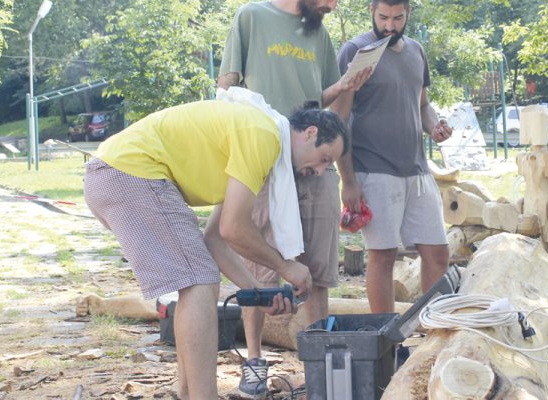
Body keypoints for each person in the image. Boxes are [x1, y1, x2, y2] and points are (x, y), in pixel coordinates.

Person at [84, 98, 350, 400]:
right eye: (325, 158)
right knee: (200, 281)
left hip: (115, 172)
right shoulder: (263, 136)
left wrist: (257, 291)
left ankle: (188, 392)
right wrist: (285, 267)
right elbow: (233, 228)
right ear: (310, 133)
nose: (320, 170)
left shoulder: (257, 138)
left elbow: (215, 239)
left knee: (199, 280)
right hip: (129, 172)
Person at [216, 0, 371, 398]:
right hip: (262, 160)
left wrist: (342, 88)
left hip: (313, 161)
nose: (334, 4)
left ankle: (320, 367)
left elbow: (317, 96)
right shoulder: (251, 16)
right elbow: (226, 87)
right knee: (260, 271)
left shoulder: (318, 33)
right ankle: (255, 365)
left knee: (319, 271)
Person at [333, 0, 453, 314]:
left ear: (407, 14)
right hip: (372, 169)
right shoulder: (355, 51)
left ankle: (433, 329)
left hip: (416, 169)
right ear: (372, 11)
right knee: (383, 255)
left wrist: (435, 125)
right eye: (383, 17)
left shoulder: (416, 51)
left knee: (438, 253)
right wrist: (349, 180)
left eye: (397, 18)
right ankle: (383, 337)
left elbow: (423, 105)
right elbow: (339, 118)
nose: (390, 26)